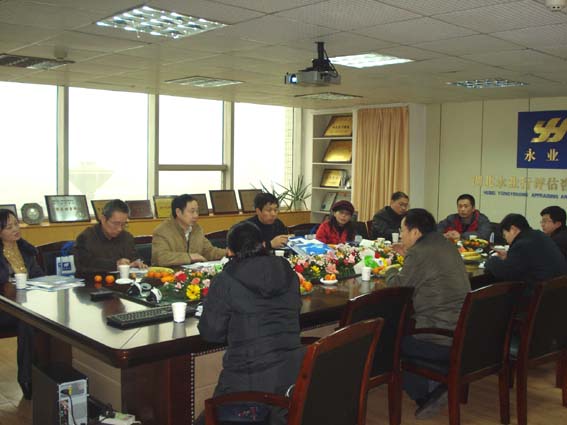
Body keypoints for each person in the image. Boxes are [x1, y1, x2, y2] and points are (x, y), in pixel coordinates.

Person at [197, 221, 305, 425]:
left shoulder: (225, 280)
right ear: (263, 244)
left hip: (246, 390)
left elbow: (211, 333)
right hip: (291, 382)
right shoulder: (289, 273)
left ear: (230, 251)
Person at [385, 208, 470, 420]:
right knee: (404, 326)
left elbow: (399, 288)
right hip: (463, 332)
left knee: (388, 342)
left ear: (415, 232)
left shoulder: (419, 253)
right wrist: (408, 257)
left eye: (402, 231)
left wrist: (390, 269)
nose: (401, 235)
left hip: (441, 338)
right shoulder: (445, 244)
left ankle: (426, 395)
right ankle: (437, 383)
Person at [0, 209, 44, 400]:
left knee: (47, 321)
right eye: (9, 227)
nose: (15, 229)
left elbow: (40, 276)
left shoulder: (26, 250)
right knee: (27, 321)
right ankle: (27, 379)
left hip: (26, 304)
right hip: (4, 309)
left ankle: (49, 374)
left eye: (16, 224)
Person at [485, 213, 567, 287]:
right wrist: (508, 256)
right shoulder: (539, 235)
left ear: (513, 230)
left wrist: (491, 260)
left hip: (539, 293)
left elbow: (507, 273)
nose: (506, 239)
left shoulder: (522, 244)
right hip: (557, 289)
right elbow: (526, 261)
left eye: (504, 235)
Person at [74, 199, 146, 274]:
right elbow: (83, 266)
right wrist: (115, 264)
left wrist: (137, 262)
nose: (119, 229)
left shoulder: (127, 237)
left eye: (123, 224)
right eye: (115, 224)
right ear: (103, 219)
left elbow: (134, 257)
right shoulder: (85, 238)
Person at [152, 194, 225, 266]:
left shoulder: (197, 229)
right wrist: (190, 257)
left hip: (193, 271)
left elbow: (208, 251)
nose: (196, 215)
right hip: (169, 272)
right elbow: (161, 258)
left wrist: (227, 252)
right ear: (178, 212)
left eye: (197, 211)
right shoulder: (162, 231)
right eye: (192, 212)